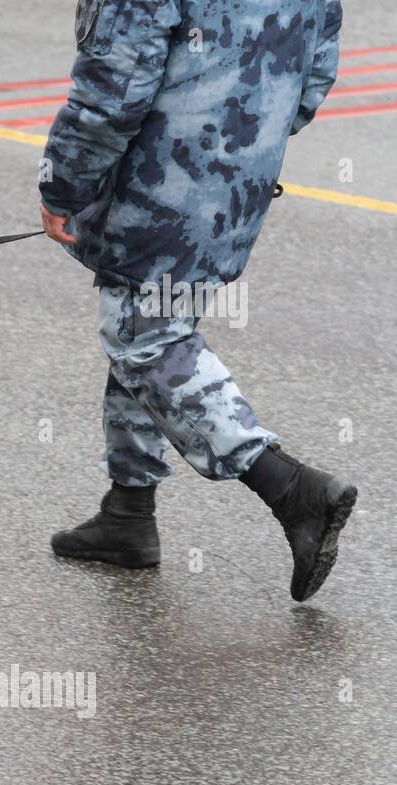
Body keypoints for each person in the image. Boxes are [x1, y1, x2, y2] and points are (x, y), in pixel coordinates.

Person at [39, 0, 355, 601]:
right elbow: (317, 67)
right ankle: (128, 513)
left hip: (162, 175)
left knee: (145, 337)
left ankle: (293, 491)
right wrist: (245, 144)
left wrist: (65, 182)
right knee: (148, 318)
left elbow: (114, 88)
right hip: (240, 167)